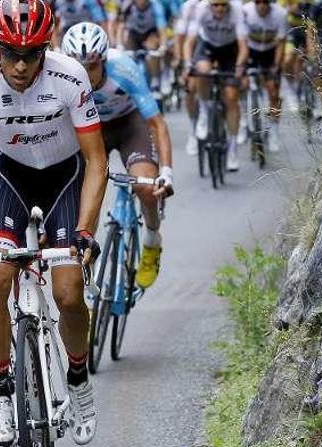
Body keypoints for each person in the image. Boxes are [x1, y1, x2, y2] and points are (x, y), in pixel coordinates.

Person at [0, 0, 107, 447]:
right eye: (9, 53)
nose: (19, 65)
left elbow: (95, 160)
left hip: (63, 177)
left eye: (31, 54)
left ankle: (77, 379)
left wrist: (86, 232)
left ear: (46, 49)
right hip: (9, 176)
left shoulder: (70, 76)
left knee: (69, 292)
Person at [62, 22, 174, 288]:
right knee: (83, 191)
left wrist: (166, 172)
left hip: (128, 124)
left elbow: (158, 123)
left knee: (146, 187)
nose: (86, 75)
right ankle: (87, 256)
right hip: (89, 129)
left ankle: (152, 239)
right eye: (80, 68)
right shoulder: (60, 76)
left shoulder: (124, 68)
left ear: (103, 60)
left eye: (91, 67)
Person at [184, 0, 248, 172]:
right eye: (215, 5)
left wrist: (239, 67)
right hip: (208, 46)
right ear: (209, 5)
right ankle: (204, 111)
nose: (219, 8)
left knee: (232, 97)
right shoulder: (200, 9)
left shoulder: (237, 10)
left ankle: (233, 148)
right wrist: (187, 64)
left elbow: (243, 46)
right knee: (202, 71)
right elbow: (189, 41)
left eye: (223, 5)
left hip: (230, 49)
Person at [242, 0, 288, 152]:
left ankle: (274, 131)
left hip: (270, 52)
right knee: (242, 85)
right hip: (251, 52)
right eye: (258, 2)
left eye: (265, 2)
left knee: (274, 92)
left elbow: (281, 42)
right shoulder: (246, 11)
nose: (261, 5)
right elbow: (240, 40)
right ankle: (244, 122)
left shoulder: (280, 14)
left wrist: (276, 64)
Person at [116, 0, 169, 97]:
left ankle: (155, 81)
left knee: (153, 49)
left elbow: (162, 29)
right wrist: (119, 45)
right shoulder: (127, 5)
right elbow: (121, 27)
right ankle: (128, 82)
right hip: (134, 34)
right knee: (128, 54)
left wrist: (163, 46)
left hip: (150, 33)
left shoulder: (156, 6)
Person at [173, 0, 202, 155]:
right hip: (191, 51)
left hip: (217, 50)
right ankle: (193, 131)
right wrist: (181, 60)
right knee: (190, 88)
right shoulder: (189, 7)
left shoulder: (221, 4)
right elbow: (180, 37)